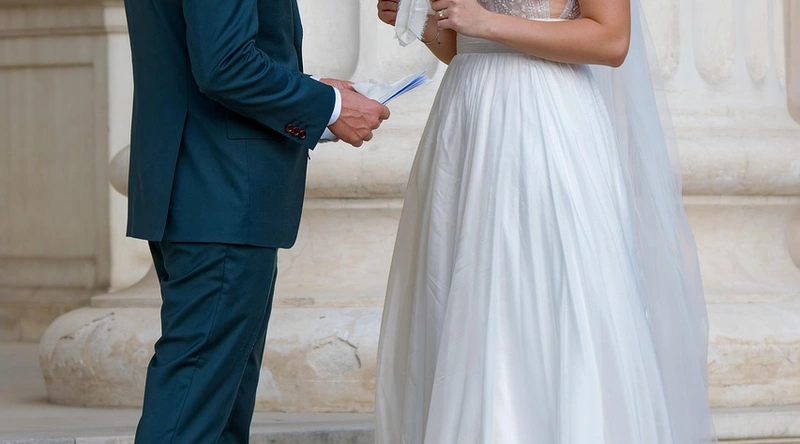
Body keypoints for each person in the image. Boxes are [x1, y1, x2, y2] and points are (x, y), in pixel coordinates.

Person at [375, 0, 717, 442]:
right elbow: (464, 47)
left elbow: (612, 40)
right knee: (461, 303)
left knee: (540, 295)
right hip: (466, 118)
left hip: (540, 120)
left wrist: (486, 22)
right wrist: (424, 23)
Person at [122, 0, 390, 442]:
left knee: (216, 412)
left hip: (202, 185)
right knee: (191, 411)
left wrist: (310, 90)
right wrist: (329, 106)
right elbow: (225, 64)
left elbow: (203, 53)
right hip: (221, 188)